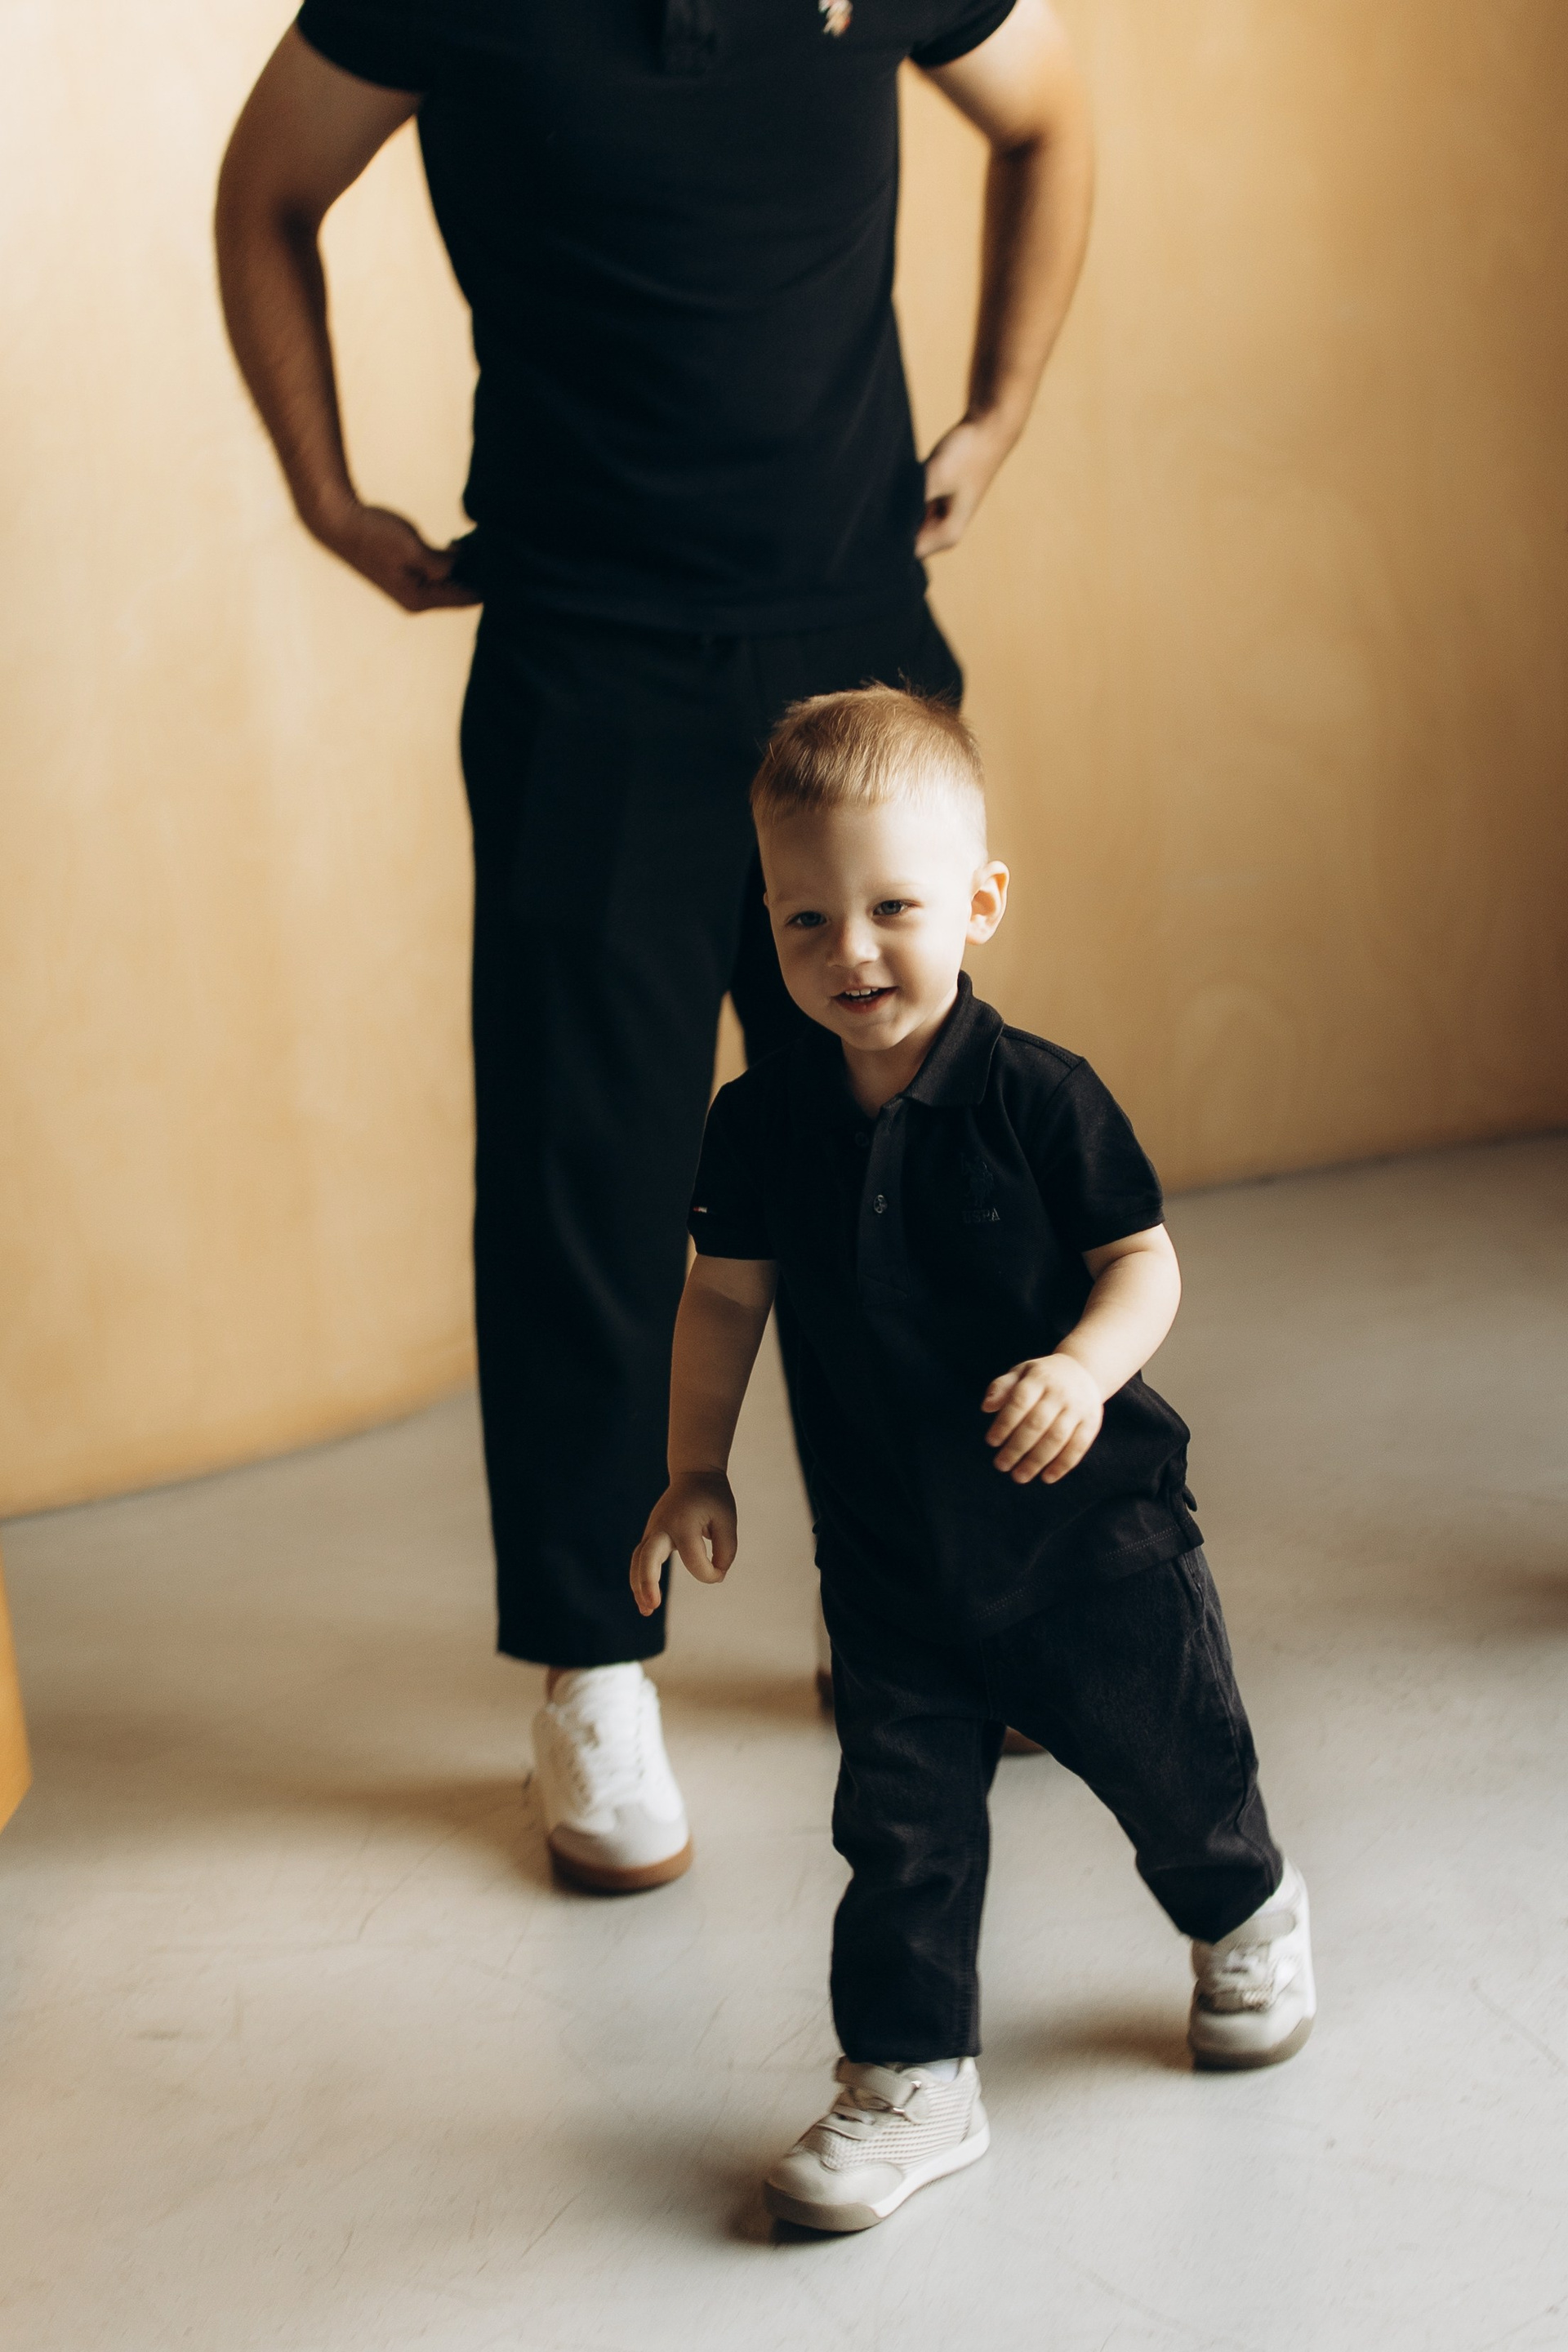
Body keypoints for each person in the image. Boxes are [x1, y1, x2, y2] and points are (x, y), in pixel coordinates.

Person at [216, 0, 1094, 1893]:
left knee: (899, 1164)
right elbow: (265, 191)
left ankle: (903, 1598)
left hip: (850, 642)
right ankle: (592, 1665)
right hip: (588, 666)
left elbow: (1048, 118)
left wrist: (1002, 406)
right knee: (585, 1183)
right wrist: (321, 490)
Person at [631, 687, 1314, 2232]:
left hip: (1093, 1539)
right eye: (807, 919)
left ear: (980, 903)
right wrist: (696, 1467)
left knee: (1175, 1769)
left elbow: (1143, 1264)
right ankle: (909, 2076)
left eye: (895, 908)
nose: (852, 951)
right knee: (900, 1831)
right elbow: (724, 1299)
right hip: (891, 1560)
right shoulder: (761, 1121)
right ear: (768, 919)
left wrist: (1082, 1369)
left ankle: (1249, 1914)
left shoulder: (1038, 1096)